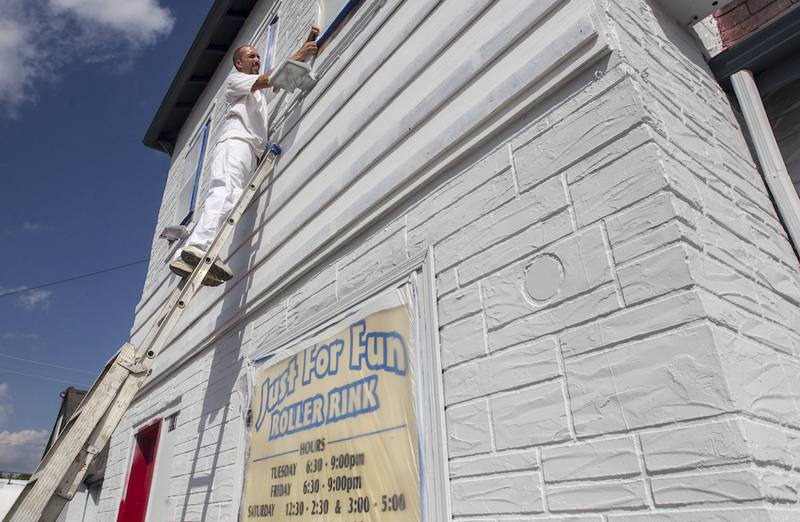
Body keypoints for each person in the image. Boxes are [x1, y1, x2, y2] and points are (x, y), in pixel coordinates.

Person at [169, 29, 319, 284]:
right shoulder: (236, 80)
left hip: (248, 150)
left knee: (233, 197)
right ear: (239, 62)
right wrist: (301, 54)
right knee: (225, 190)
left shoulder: (258, 93)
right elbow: (268, 79)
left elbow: (278, 79)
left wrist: (303, 50)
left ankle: (200, 252)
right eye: (251, 56)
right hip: (235, 143)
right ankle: (196, 248)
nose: (256, 59)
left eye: (259, 56)